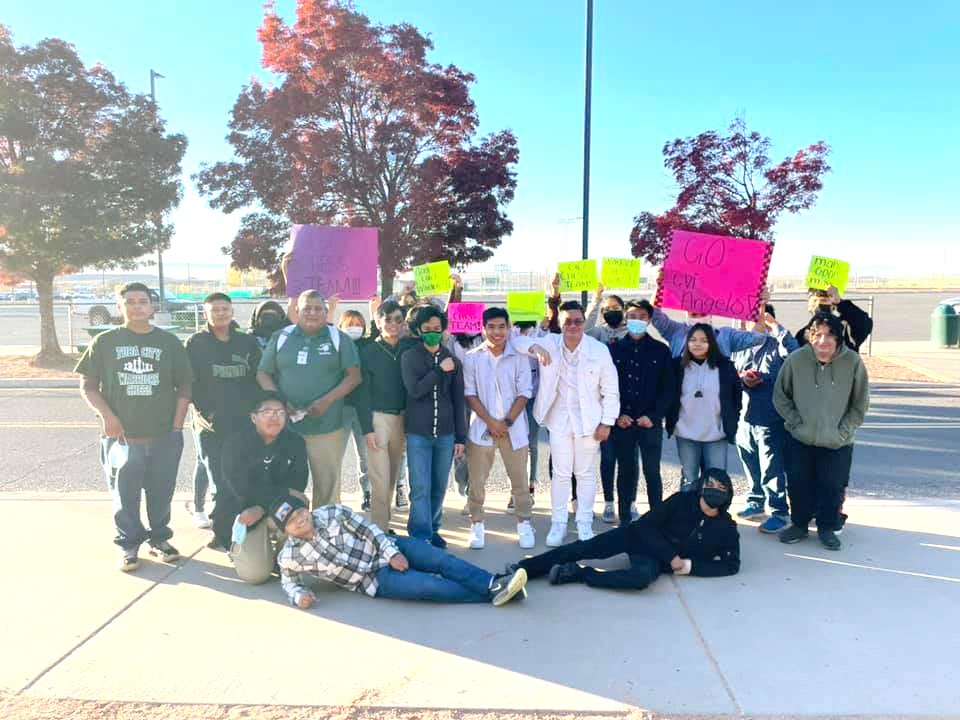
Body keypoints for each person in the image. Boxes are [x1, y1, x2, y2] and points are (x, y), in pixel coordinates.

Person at [75, 282, 193, 571]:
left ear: (152, 307)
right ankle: (129, 545)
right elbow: (88, 386)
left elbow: (185, 386)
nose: (137, 306)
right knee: (124, 495)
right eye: (130, 301)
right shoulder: (105, 341)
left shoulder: (168, 343)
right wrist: (108, 417)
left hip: (164, 434)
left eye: (143, 301)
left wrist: (177, 426)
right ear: (119, 307)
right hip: (121, 437)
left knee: (161, 492)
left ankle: (159, 539)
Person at [272, 493, 528, 608]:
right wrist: (299, 596)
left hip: (388, 547)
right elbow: (289, 583)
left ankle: (494, 583)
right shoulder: (289, 557)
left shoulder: (331, 512)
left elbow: (369, 530)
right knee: (428, 587)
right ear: (286, 530)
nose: (300, 519)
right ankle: (498, 593)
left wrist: (391, 553)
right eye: (292, 520)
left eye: (300, 511)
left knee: (439, 559)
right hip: (372, 580)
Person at [511, 469, 739, 590]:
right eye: (709, 485)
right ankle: (524, 568)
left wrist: (689, 566)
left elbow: (731, 565)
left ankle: (578, 574)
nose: (714, 491)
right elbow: (646, 525)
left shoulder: (726, 528)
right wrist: (671, 556)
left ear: (728, 494)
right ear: (700, 487)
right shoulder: (681, 500)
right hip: (639, 537)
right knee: (585, 548)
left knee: (640, 579)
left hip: (656, 561)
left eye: (721, 488)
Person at [513, 301, 619, 546]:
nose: (572, 325)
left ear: (584, 323)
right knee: (560, 474)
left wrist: (607, 422)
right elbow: (517, 343)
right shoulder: (550, 342)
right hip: (559, 420)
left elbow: (611, 390)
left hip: (590, 422)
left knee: (585, 474)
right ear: (560, 323)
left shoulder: (598, 350)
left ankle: (584, 524)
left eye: (577, 321)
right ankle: (558, 524)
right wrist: (536, 345)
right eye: (567, 321)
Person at [257, 290, 361, 508]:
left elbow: (354, 377)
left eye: (318, 308)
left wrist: (327, 400)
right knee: (284, 484)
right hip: (286, 428)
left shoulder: (338, 338)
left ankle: (324, 535)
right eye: (307, 308)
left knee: (327, 489)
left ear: (326, 311)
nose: (312, 313)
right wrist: (281, 403)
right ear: (297, 310)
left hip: (327, 427)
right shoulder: (281, 337)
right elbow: (262, 373)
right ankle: (289, 532)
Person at [774, 314, 869, 550]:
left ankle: (827, 528)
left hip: (837, 442)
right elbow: (781, 396)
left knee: (832, 486)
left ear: (838, 339)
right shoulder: (796, 360)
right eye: (817, 335)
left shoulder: (853, 363)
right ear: (810, 337)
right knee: (798, 483)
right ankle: (799, 524)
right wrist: (796, 423)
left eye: (829, 335)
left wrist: (843, 431)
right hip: (799, 438)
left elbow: (860, 404)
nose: (823, 341)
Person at [185, 292, 263, 545]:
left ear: (232, 312)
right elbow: (190, 383)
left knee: (241, 476)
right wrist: (208, 414)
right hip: (210, 425)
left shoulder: (247, 342)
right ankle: (222, 534)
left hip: (243, 422)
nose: (220, 313)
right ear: (206, 313)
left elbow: (257, 378)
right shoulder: (195, 343)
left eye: (224, 309)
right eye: (214, 309)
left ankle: (241, 528)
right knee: (219, 479)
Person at [464, 307, 536, 549]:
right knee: (477, 481)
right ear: (483, 329)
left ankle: (524, 523)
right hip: (481, 429)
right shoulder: (472, 357)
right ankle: (477, 524)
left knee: (519, 479)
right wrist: (491, 422)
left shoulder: (519, 356)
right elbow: (470, 394)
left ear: (509, 328)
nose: (497, 332)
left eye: (501, 327)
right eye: (491, 327)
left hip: (513, 429)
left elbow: (525, 392)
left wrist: (505, 423)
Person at [218, 392, 309, 583]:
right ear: (253, 417)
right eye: (267, 412)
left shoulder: (296, 442)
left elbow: (298, 487)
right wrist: (283, 492)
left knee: (299, 505)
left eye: (280, 412)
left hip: (270, 509)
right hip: (243, 513)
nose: (274, 417)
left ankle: (283, 555)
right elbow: (240, 489)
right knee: (255, 576)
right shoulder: (235, 443)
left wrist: (262, 507)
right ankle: (248, 551)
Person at [400, 305, 467, 547]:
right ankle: (419, 534)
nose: (433, 333)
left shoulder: (453, 360)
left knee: (439, 487)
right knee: (420, 488)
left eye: (437, 329)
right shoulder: (410, 358)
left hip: (446, 434)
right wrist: (439, 370)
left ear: (443, 330)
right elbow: (416, 390)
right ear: (419, 330)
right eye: (427, 329)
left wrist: (461, 438)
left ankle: (433, 528)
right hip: (418, 434)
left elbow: (459, 401)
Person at [731, 304, 798, 534]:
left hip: (770, 418)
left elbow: (794, 355)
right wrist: (743, 378)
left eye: (759, 319)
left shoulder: (777, 345)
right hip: (744, 418)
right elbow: (730, 374)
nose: (754, 323)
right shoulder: (740, 347)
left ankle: (779, 512)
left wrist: (775, 327)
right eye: (750, 319)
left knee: (772, 467)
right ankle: (755, 501)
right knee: (749, 462)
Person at [609, 300, 676, 524]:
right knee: (626, 472)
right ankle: (625, 518)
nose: (636, 320)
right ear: (625, 319)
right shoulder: (614, 349)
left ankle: (657, 519)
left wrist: (654, 416)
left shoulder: (661, 350)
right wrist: (618, 415)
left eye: (641, 316)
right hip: (623, 422)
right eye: (631, 316)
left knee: (652, 472)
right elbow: (606, 386)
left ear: (649, 320)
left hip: (650, 423)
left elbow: (668, 390)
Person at [665, 324, 742, 492]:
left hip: (716, 433)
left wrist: (730, 422)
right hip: (685, 432)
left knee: (716, 480)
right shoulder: (676, 366)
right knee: (689, 479)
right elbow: (668, 394)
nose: (697, 344)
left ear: (712, 343)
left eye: (703, 340)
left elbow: (736, 397)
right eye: (692, 340)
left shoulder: (725, 367)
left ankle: (715, 515)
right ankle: (688, 516)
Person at [355, 300, 408, 532]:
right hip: (378, 419)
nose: (393, 324)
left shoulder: (409, 347)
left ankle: (385, 523)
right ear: (377, 322)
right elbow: (362, 393)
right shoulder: (368, 352)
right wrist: (367, 428)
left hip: (404, 418)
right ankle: (379, 531)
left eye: (398, 319)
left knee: (393, 474)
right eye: (387, 320)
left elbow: (439, 324)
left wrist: (455, 291)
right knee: (379, 477)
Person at [337, 310, 372, 511]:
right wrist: (332, 309)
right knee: (336, 455)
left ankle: (366, 491)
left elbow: (379, 329)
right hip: (340, 408)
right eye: (349, 323)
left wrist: (374, 308)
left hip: (362, 409)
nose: (355, 327)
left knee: (365, 455)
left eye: (359, 323)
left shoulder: (367, 345)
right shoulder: (335, 345)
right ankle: (335, 495)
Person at [796, 285, 873, 353]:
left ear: (832, 304)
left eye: (824, 300)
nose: (818, 304)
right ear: (809, 303)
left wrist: (840, 303)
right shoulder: (803, 334)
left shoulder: (844, 328)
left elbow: (865, 324)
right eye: (814, 301)